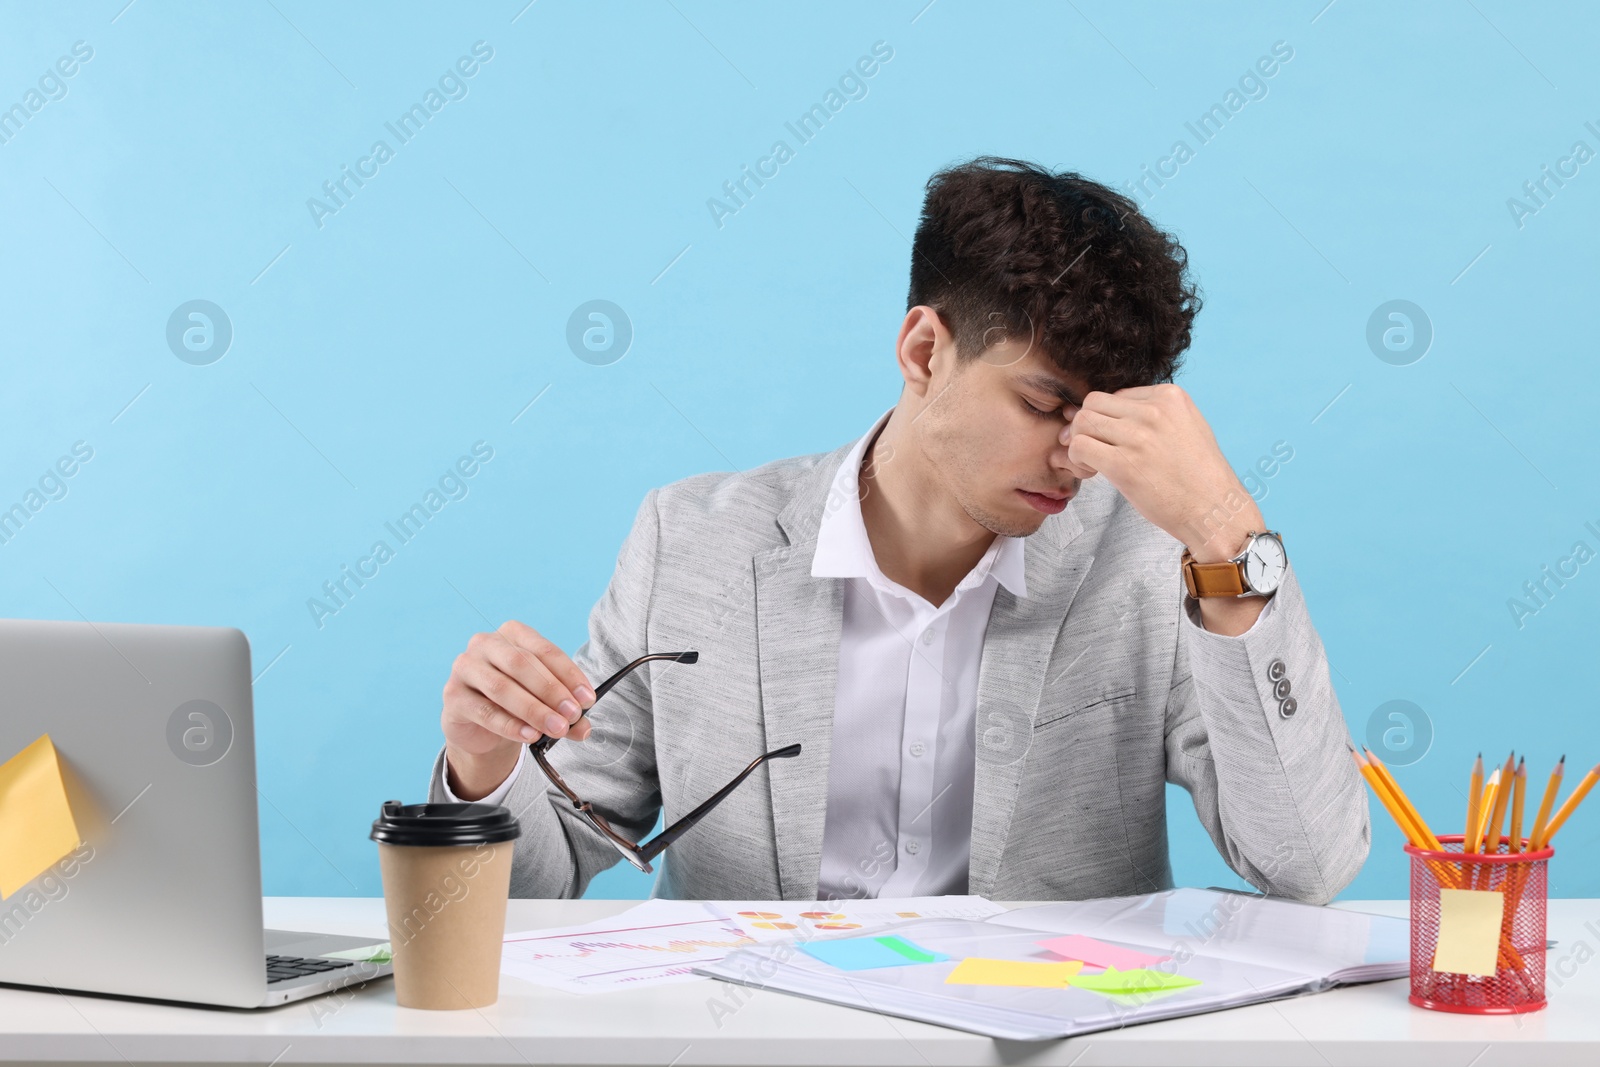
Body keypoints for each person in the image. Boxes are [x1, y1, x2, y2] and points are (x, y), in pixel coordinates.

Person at [429, 156, 1369, 905]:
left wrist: (1227, 534)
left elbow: (1308, 864)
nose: (1078, 456)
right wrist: (483, 764)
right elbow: (536, 885)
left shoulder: (1160, 564)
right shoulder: (692, 540)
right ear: (925, 350)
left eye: (1104, 419)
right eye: (1046, 404)